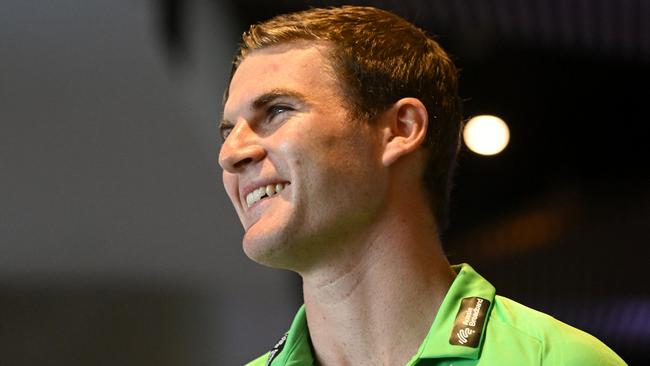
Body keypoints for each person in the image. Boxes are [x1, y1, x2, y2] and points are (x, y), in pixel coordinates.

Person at [218, 5, 626, 366]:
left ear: (400, 129)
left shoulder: (557, 361)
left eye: (277, 111)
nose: (230, 153)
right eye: (227, 131)